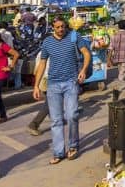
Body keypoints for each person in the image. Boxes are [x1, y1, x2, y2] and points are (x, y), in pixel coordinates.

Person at [33, 17, 91, 164]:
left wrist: (83, 70)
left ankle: (73, 146)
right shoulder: (47, 42)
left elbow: (86, 53)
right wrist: (36, 85)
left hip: (71, 82)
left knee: (72, 115)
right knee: (56, 120)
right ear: (53, 27)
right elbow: (42, 63)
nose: (61, 29)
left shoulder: (74, 37)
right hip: (53, 85)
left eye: (63, 26)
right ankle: (58, 152)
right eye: (58, 27)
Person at [27, 50, 49, 136]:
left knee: (52, 101)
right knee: (50, 103)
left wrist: (37, 84)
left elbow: (36, 70)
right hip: (48, 79)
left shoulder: (40, 52)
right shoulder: (49, 50)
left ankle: (59, 118)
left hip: (43, 79)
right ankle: (34, 125)